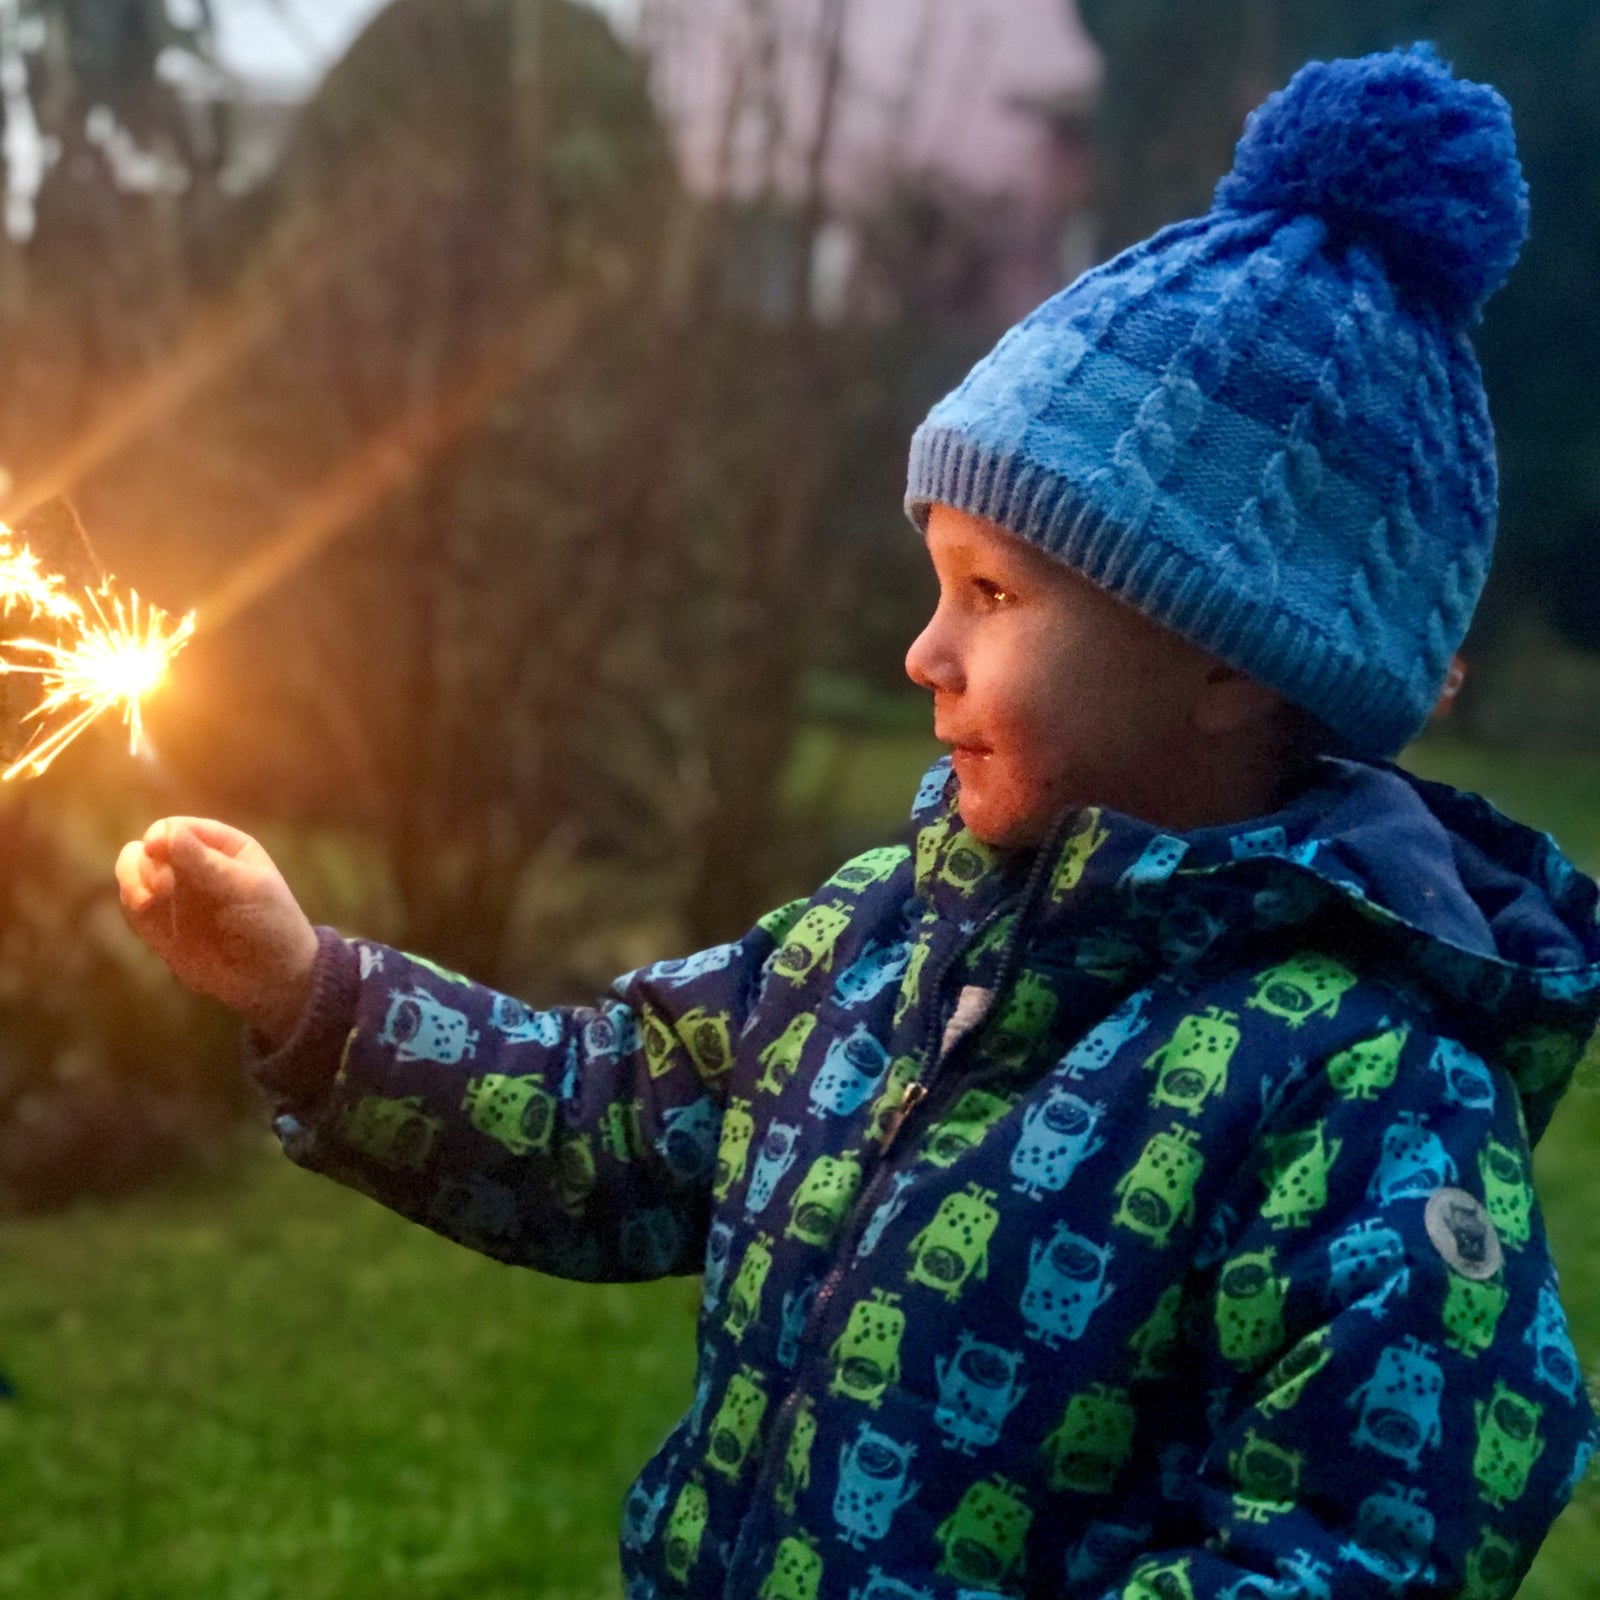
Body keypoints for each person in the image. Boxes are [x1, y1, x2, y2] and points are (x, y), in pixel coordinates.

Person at [118, 44, 1598, 1600]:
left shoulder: (1367, 1094)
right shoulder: (878, 941)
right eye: (935, 581)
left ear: (1226, 650)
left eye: (993, 594)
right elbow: (610, 1120)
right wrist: (310, 992)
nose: (923, 652)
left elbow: (1360, 1546)